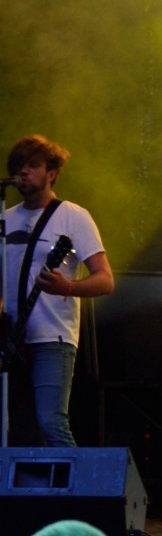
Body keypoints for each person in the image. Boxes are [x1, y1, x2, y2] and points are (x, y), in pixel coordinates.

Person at [2, 135, 114, 446]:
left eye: (33, 166)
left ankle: (76, 493)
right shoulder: (5, 219)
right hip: (10, 340)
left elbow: (105, 280)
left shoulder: (73, 216)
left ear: (52, 172)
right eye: (18, 167)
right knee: (16, 428)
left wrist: (68, 286)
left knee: (50, 421)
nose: (24, 172)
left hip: (53, 337)